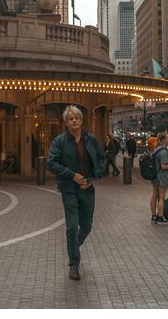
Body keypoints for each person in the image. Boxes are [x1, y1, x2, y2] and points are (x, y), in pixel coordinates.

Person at [47, 105, 105, 281]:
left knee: (86, 226)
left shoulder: (91, 139)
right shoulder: (59, 142)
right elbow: (51, 163)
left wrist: (94, 178)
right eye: (70, 118)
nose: (74, 120)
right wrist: (72, 176)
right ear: (66, 122)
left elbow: (101, 159)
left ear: (81, 120)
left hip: (88, 189)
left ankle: (73, 247)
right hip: (69, 189)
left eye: (76, 118)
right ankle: (74, 263)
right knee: (72, 227)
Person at [149, 132, 168, 224]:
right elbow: (163, 167)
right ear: (163, 140)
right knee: (161, 197)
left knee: (154, 195)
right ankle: (160, 216)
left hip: (154, 175)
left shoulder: (156, 149)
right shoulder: (164, 151)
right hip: (162, 176)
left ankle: (153, 216)